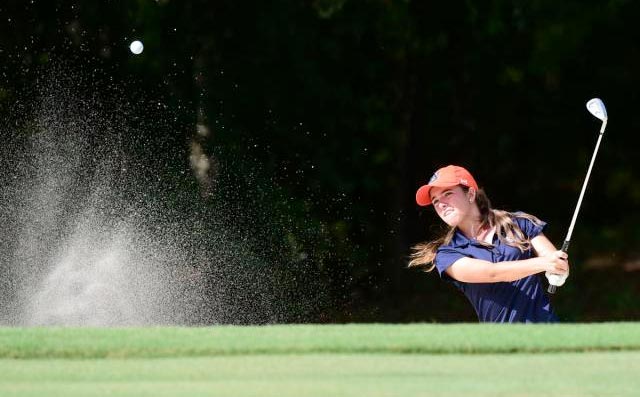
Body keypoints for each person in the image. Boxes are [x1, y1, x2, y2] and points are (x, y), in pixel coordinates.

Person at [409, 165, 569, 323]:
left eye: (447, 194)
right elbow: (492, 273)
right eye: (435, 201)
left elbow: (551, 257)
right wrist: (544, 264)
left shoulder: (518, 223)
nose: (440, 204)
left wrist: (558, 269)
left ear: (471, 194)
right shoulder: (447, 254)